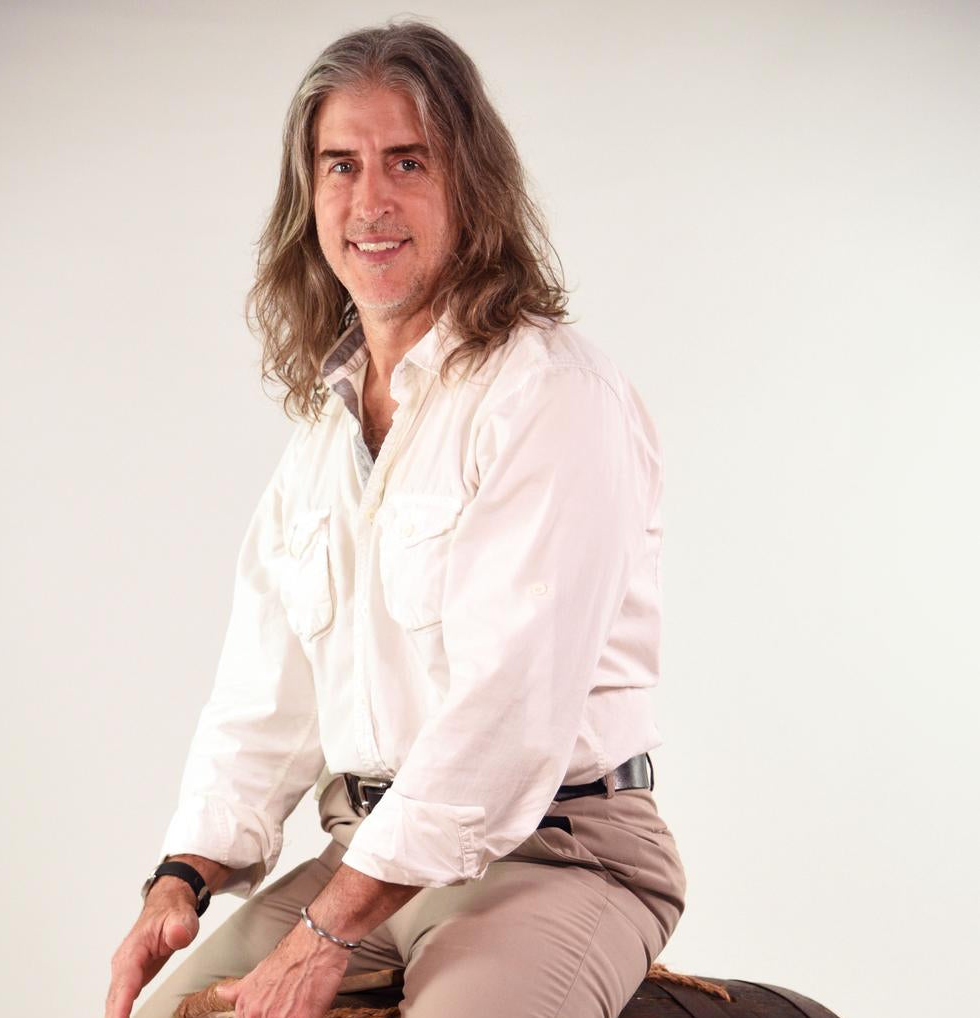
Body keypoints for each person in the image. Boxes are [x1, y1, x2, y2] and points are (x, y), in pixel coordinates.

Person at [105, 17, 686, 1018]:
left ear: (471, 186)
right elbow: (263, 702)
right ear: (309, 196)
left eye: (407, 162)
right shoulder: (320, 441)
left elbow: (508, 714)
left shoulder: (552, 395)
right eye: (341, 165)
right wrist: (181, 877)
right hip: (363, 863)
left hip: (557, 855)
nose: (369, 201)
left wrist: (326, 934)